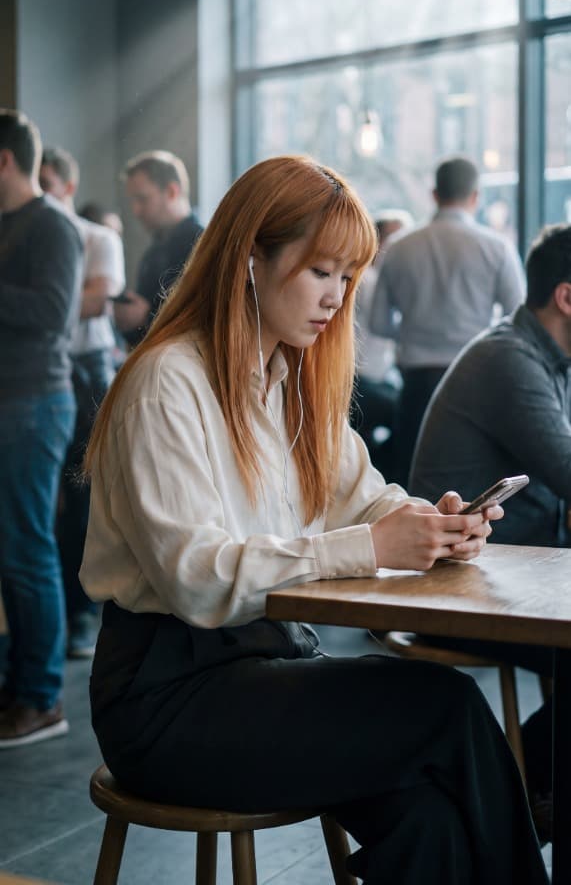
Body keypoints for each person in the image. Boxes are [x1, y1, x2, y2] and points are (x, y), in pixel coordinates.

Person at [78, 155, 547, 885]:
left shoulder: (289, 378)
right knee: (446, 708)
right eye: (318, 271)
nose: (335, 298)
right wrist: (368, 545)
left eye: (346, 277)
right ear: (248, 261)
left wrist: (433, 523)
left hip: (267, 663)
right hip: (166, 697)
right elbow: (196, 580)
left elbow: (364, 494)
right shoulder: (165, 384)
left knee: (429, 814)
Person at [408, 222, 571, 839]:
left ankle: (520, 804)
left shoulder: (548, 359)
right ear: (566, 297)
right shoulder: (510, 359)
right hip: (459, 587)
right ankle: (505, 808)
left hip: (517, 578)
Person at [0, 111, 83, 746]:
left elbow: (55, 314)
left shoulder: (52, 225)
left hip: (34, 402)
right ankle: (18, 686)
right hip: (12, 400)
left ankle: (42, 697)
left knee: (28, 548)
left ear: (4, 161)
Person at [369, 156, 525, 487]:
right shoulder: (496, 248)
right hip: (476, 381)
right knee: (472, 484)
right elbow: (517, 320)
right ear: (476, 197)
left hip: (416, 385)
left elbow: (379, 323)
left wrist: (413, 331)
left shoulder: (398, 248)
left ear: (434, 194)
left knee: (412, 484)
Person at [39, 147, 125, 659]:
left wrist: (41, 296)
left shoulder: (99, 237)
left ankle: (80, 616)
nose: (42, 190)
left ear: (68, 187)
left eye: (47, 181)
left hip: (87, 371)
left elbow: (97, 298)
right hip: (37, 369)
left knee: (82, 497)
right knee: (42, 503)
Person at [113, 150, 202, 347]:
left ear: (171, 192)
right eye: (133, 201)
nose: (136, 210)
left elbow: (208, 320)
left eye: (142, 199)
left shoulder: (205, 247)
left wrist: (146, 316)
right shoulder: (153, 252)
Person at [352, 209, 413, 478]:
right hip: (361, 381)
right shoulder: (369, 280)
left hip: (372, 377)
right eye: (395, 240)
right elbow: (385, 323)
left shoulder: (370, 278)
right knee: (406, 414)